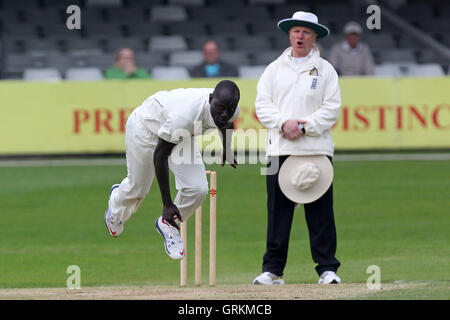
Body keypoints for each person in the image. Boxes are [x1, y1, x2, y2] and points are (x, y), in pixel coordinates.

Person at [104, 80, 240, 261]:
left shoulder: (230, 108)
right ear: (210, 99)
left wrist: (227, 150)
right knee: (138, 189)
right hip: (145, 130)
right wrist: (167, 204)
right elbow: (160, 157)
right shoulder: (184, 116)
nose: (224, 114)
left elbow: (227, 124)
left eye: (229, 110)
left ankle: (168, 224)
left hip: (180, 137)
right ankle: (116, 205)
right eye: (220, 108)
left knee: (198, 189)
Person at [253, 11, 342, 285]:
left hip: (315, 149)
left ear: (314, 36)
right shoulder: (273, 69)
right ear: (289, 35)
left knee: (320, 213)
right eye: (295, 31)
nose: (299, 36)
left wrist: (303, 127)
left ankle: (328, 269)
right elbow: (261, 105)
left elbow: (332, 109)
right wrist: (284, 124)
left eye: (305, 32)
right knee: (277, 213)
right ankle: (273, 270)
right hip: (278, 149)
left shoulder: (326, 69)